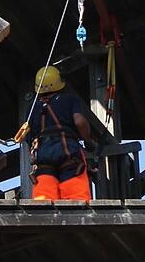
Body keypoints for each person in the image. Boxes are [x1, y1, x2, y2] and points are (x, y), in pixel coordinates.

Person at [28, 65, 96, 201]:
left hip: (42, 154)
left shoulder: (32, 107)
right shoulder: (69, 99)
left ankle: (45, 218)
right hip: (68, 151)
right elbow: (79, 122)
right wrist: (89, 141)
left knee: (44, 198)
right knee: (76, 196)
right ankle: (77, 218)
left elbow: (28, 134)